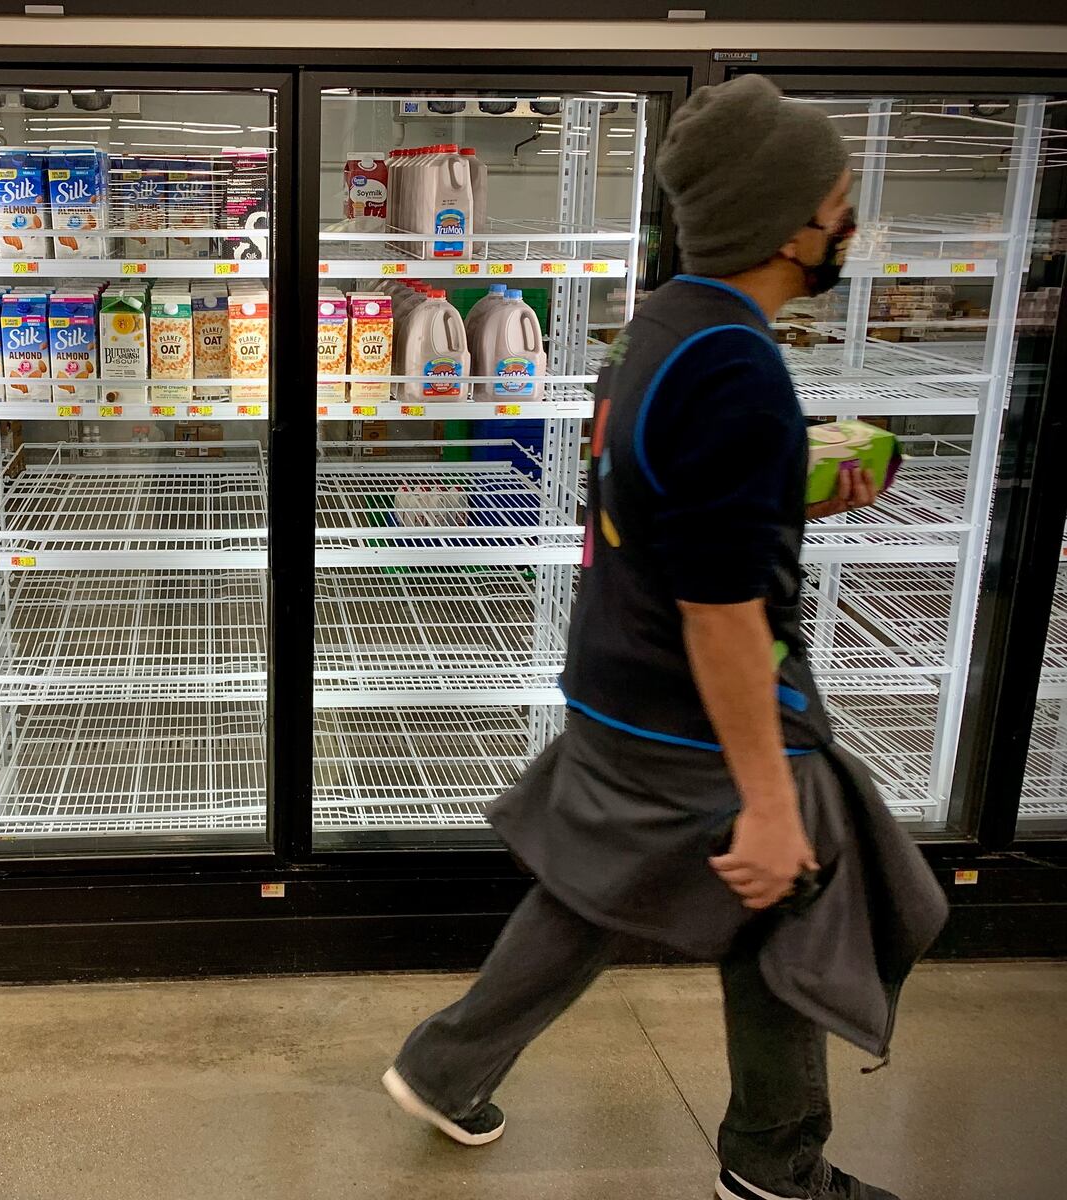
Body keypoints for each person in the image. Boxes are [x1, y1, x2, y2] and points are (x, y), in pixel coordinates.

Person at [381, 75, 948, 1200]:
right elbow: (724, 610)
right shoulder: (735, 366)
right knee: (785, 889)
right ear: (781, 222)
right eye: (837, 203)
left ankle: (445, 1070)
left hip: (616, 679)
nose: (847, 225)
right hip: (699, 707)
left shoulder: (664, 324)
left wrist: (780, 491)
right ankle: (774, 1168)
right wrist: (774, 801)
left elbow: (658, 509)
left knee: (597, 888)